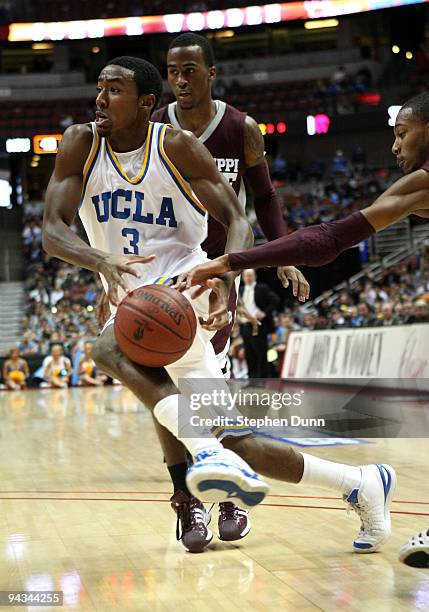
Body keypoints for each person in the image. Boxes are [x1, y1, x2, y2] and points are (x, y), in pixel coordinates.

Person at [43, 55, 396, 558]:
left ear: (147, 103)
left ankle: (200, 459)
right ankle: (360, 481)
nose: (100, 99)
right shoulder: (81, 142)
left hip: (183, 289)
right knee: (238, 442)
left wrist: (226, 274)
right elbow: (52, 233)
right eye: (99, 87)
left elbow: (237, 218)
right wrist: (100, 261)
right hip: (131, 295)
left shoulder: (178, 147)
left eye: (114, 90)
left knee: (110, 351)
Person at [150, 32, 308, 548]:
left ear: (211, 74)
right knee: (171, 395)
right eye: (173, 71)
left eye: (190, 70)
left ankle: (228, 493)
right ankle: (188, 500)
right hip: (164, 272)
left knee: (206, 395)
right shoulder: (155, 129)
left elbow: (263, 197)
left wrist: (282, 255)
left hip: (218, 273)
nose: (180, 79)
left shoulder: (242, 128)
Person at [173, 92, 429, 287]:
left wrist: (226, 261)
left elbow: (328, 239)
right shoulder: (417, 185)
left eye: (402, 134)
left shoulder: (422, 182)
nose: (394, 147)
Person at [239, 268, 279, 379]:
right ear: (243, 277)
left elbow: (275, 300)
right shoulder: (240, 289)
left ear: (255, 276)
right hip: (245, 325)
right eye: (246, 275)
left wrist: (264, 313)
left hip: (259, 325)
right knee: (249, 353)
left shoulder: (262, 288)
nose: (248, 277)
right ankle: (251, 378)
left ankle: (263, 379)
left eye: (250, 275)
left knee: (261, 352)